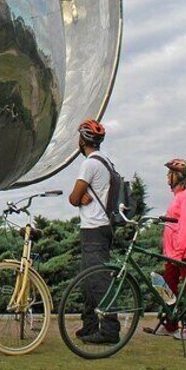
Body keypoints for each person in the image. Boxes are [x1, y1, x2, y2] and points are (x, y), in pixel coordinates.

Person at [67, 119, 120, 345]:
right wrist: (83, 196)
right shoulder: (106, 161)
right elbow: (83, 195)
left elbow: (72, 198)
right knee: (88, 281)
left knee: (98, 281)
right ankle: (90, 325)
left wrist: (81, 197)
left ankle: (109, 330)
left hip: (94, 229)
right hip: (101, 228)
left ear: (82, 140)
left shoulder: (89, 164)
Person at [152, 158, 186, 340]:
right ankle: (170, 325)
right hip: (173, 252)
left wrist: (179, 251)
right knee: (168, 288)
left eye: (169, 174)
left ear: (178, 176)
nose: (167, 178)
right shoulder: (178, 196)